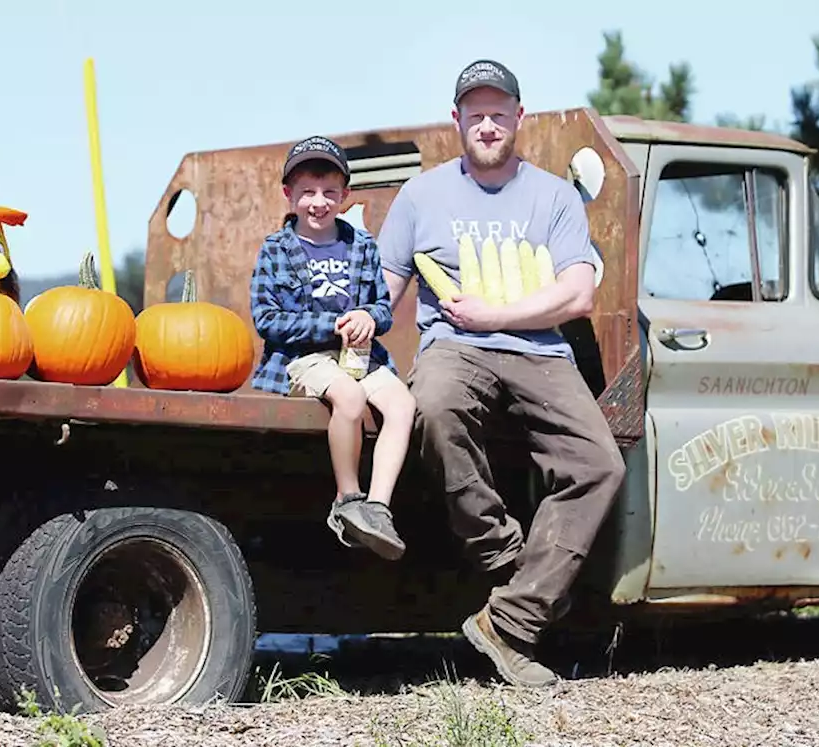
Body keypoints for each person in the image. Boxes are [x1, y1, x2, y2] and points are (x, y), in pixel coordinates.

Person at [375, 59, 626, 686]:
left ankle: (511, 620)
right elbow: (383, 292)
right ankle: (502, 552)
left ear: (520, 117)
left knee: (600, 464)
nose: (487, 125)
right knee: (431, 405)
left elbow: (576, 295)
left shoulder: (555, 196)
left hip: (541, 350)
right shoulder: (421, 195)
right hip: (454, 347)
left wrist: (496, 314)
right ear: (456, 119)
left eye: (498, 113)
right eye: (475, 113)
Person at [249, 135, 417, 561]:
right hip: (303, 359)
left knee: (402, 405)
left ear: (345, 196)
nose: (318, 202)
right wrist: (330, 324)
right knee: (350, 397)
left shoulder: (361, 246)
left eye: (329, 193)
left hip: (362, 355)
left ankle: (377, 509)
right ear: (289, 194)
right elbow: (266, 319)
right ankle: (347, 500)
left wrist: (368, 318)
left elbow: (382, 307)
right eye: (307, 192)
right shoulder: (276, 249)